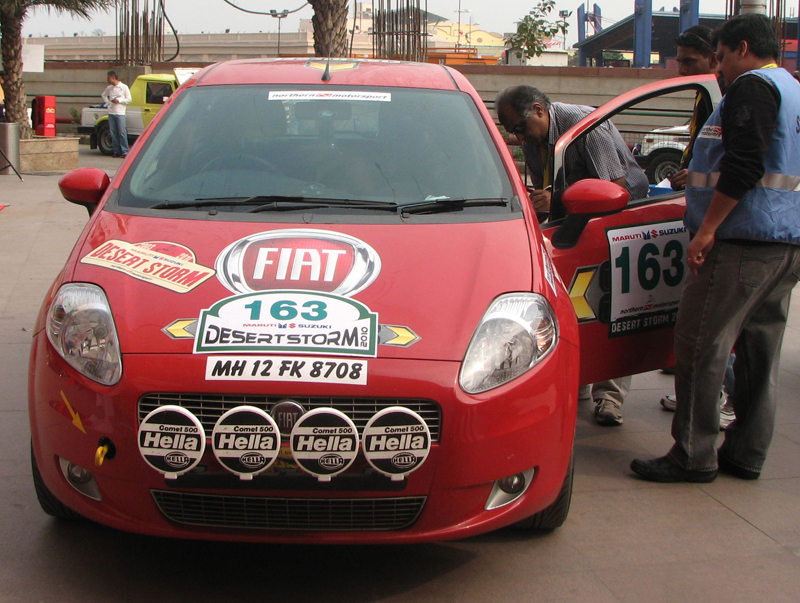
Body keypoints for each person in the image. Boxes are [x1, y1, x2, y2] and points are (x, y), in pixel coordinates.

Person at [631, 13, 800, 483]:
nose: (718, 69)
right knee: (758, 353)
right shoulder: (792, 88)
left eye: (721, 57)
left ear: (743, 48)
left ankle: (692, 453)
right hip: (784, 241)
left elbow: (744, 166)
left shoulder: (752, 86)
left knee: (701, 343)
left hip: (743, 240)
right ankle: (746, 454)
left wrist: (707, 230)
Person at [496, 85, 649, 426]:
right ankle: (580, 375)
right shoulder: (536, 140)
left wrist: (557, 200)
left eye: (520, 128)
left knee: (611, 300)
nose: (519, 138)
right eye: (511, 133)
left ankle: (609, 396)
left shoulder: (583, 124)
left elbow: (618, 186)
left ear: (538, 109)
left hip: (619, 219)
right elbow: (547, 189)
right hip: (576, 216)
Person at [657, 25, 736, 431]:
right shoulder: (706, 97)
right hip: (706, 219)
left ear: (715, 58)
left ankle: (718, 397)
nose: (681, 68)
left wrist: (707, 229)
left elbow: (738, 165)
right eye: (679, 59)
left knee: (711, 323)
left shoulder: (728, 98)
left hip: (720, 228)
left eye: (690, 60)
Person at [101, 70, 131, 158]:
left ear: (113, 78)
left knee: (122, 132)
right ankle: (116, 151)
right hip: (111, 112)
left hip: (120, 112)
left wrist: (119, 100)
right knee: (113, 132)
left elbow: (129, 99)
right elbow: (103, 95)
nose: (108, 80)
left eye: (109, 78)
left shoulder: (124, 87)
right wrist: (108, 103)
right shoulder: (109, 88)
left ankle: (124, 151)